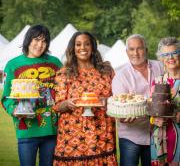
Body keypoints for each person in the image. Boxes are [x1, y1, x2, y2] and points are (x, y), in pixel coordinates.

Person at [1, 25, 62, 166]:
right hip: (27, 132)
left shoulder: (55, 63)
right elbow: (5, 98)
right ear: (28, 40)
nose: (40, 45)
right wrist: (14, 111)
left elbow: (64, 91)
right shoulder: (13, 65)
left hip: (52, 130)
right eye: (36, 39)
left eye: (44, 41)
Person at [53, 31, 117, 165]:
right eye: (78, 44)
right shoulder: (64, 73)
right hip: (72, 136)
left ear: (93, 47)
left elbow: (117, 98)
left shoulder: (106, 71)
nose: (83, 47)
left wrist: (108, 101)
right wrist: (67, 103)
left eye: (87, 44)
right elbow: (58, 106)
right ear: (73, 48)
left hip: (102, 135)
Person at [112, 34, 164, 166]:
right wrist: (123, 116)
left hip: (157, 133)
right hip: (131, 135)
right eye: (131, 49)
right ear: (126, 52)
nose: (135, 53)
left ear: (146, 50)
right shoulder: (121, 76)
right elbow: (121, 106)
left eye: (139, 48)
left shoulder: (160, 67)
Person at [150, 37, 180, 166]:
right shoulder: (157, 82)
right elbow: (152, 111)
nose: (170, 57)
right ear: (161, 58)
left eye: (174, 53)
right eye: (166, 54)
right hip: (160, 139)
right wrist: (153, 119)